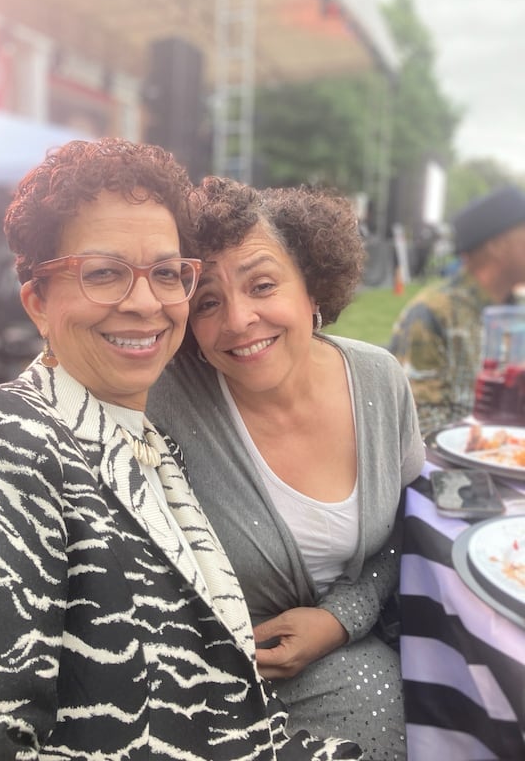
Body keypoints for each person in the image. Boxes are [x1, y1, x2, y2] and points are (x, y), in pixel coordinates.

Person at [0, 139, 361, 761]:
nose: (144, 302)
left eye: (167, 273)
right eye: (102, 272)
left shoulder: (150, 446)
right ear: (37, 305)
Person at [147, 177, 425, 761]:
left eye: (263, 284)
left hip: (347, 659)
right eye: (207, 303)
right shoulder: (161, 400)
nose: (239, 320)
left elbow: (408, 527)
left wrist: (341, 618)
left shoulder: (379, 380)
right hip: (203, 680)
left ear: (311, 285)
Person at [389, 185, 525, 435]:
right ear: (498, 246)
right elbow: (418, 426)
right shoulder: (433, 313)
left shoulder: (516, 314)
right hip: (453, 471)